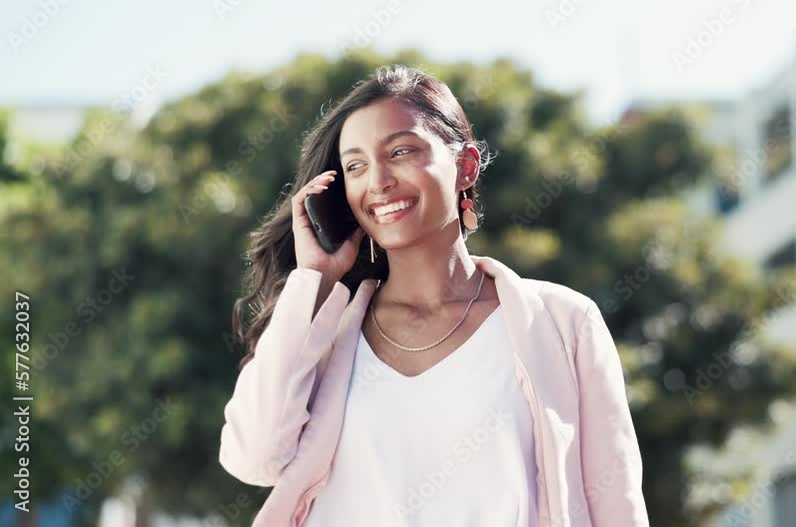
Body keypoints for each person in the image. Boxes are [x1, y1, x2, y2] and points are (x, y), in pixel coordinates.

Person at [219, 64, 648, 527]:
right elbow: (254, 459)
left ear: (465, 167)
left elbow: (616, 504)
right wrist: (313, 281)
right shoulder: (322, 336)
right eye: (356, 166)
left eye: (400, 151)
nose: (378, 181)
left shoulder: (564, 323)